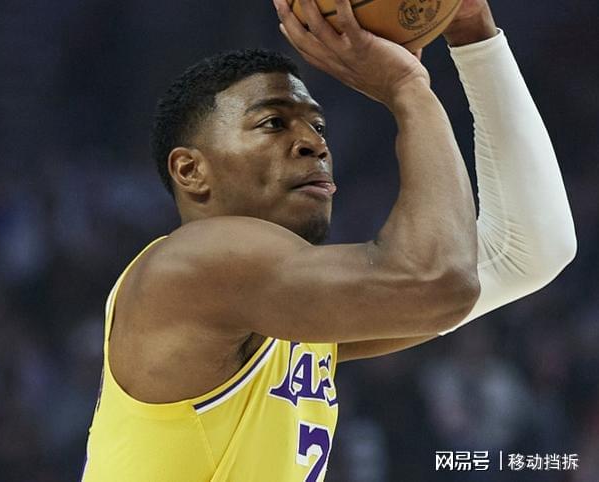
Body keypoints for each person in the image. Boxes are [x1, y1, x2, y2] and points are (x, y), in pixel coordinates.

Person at [80, 0, 576, 480]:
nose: (313, 143)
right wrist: (407, 89)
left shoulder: (282, 312)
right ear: (191, 170)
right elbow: (436, 280)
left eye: (318, 126)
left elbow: (525, 255)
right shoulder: (192, 265)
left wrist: (473, 33)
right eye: (273, 123)